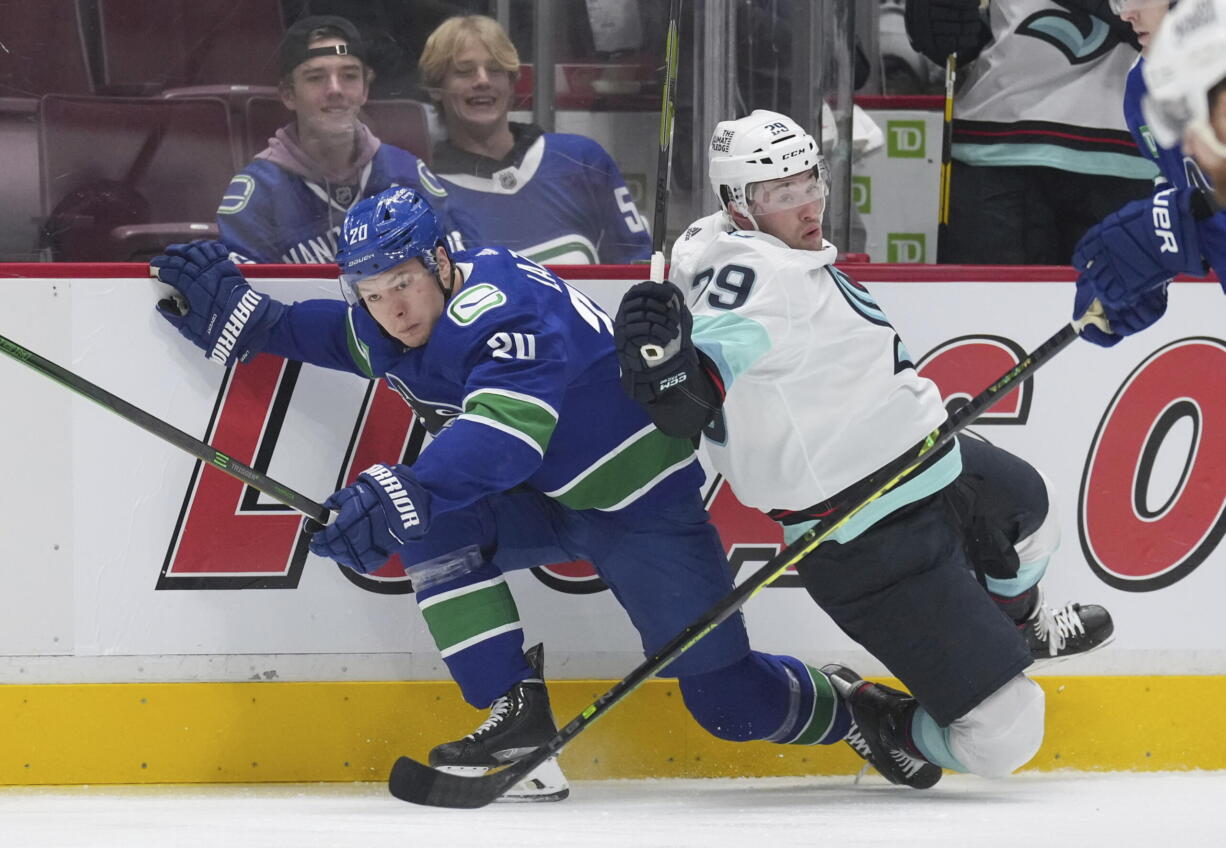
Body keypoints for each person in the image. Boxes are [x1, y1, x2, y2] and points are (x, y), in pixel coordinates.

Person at [149, 186, 947, 801]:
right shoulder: (398, 316)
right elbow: (338, 334)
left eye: (400, 282)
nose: (388, 308)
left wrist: (409, 485)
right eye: (370, 290)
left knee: (728, 706)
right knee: (427, 528)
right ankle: (516, 727)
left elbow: (504, 440)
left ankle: (855, 711)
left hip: (646, 510)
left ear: (442, 262)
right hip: (552, 497)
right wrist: (249, 320)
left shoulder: (505, 310)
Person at [613, 110, 1116, 782]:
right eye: (784, 193)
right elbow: (693, 402)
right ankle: (883, 721)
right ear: (740, 202)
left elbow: (711, 279)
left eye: (812, 182)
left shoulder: (721, 239)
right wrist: (665, 373)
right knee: (1006, 735)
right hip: (866, 534)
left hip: (936, 462)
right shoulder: (756, 280)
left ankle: (1016, 628)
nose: (810, 204)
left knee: (1032, 513)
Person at [904, 0, 1158, 263]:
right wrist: (953, 25)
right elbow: (964, 32)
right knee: (985, 302)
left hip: (1126, 150)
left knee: (1121, 301)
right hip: (994, 141)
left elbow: (1185, 26)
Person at [216, 15, 475, 264]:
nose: (336, 90)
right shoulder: (259, 192)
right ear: (288, 95)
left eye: (349, 75)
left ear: (364, 90)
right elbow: (241, 297)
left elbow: (455, 272)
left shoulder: (406, 174)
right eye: (316, 78)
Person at [417, 15, 652, 265]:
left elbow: (637, 266)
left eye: (496, 70)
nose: (483, 80)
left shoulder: (581, 161)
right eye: (464, 72)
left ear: (511, 83)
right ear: (435, 88)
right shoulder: (426, 197)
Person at [1072, 0, 1226, 345]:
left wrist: (1168, 226)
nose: (1124, 14)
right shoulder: (1145, 84)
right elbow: (1191, 197)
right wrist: (1144, 263)